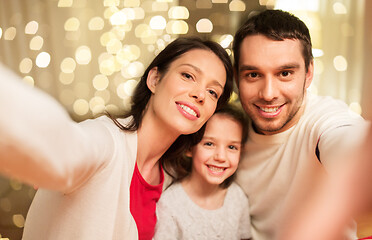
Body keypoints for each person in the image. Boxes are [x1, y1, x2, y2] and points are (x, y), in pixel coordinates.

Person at [0, 37, 233, 240]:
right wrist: (48, 153)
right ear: (154, 80)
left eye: (213, 92)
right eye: (188, 75)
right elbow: (68, 147)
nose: (200, 94)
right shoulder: (107, 141)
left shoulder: (172, 178)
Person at [232, 9, 370, 240]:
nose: (268, 94)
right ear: (237, 78)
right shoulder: (228, 129)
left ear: (308, 74)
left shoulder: (325, 121)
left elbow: (347, 141)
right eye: (253, 75)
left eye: (284, 73)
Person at [154, 104, 252, 240]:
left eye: (231, 147)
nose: (221, 157)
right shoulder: (170, 204)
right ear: (189, 148)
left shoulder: (237, 197)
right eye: (209, 144)